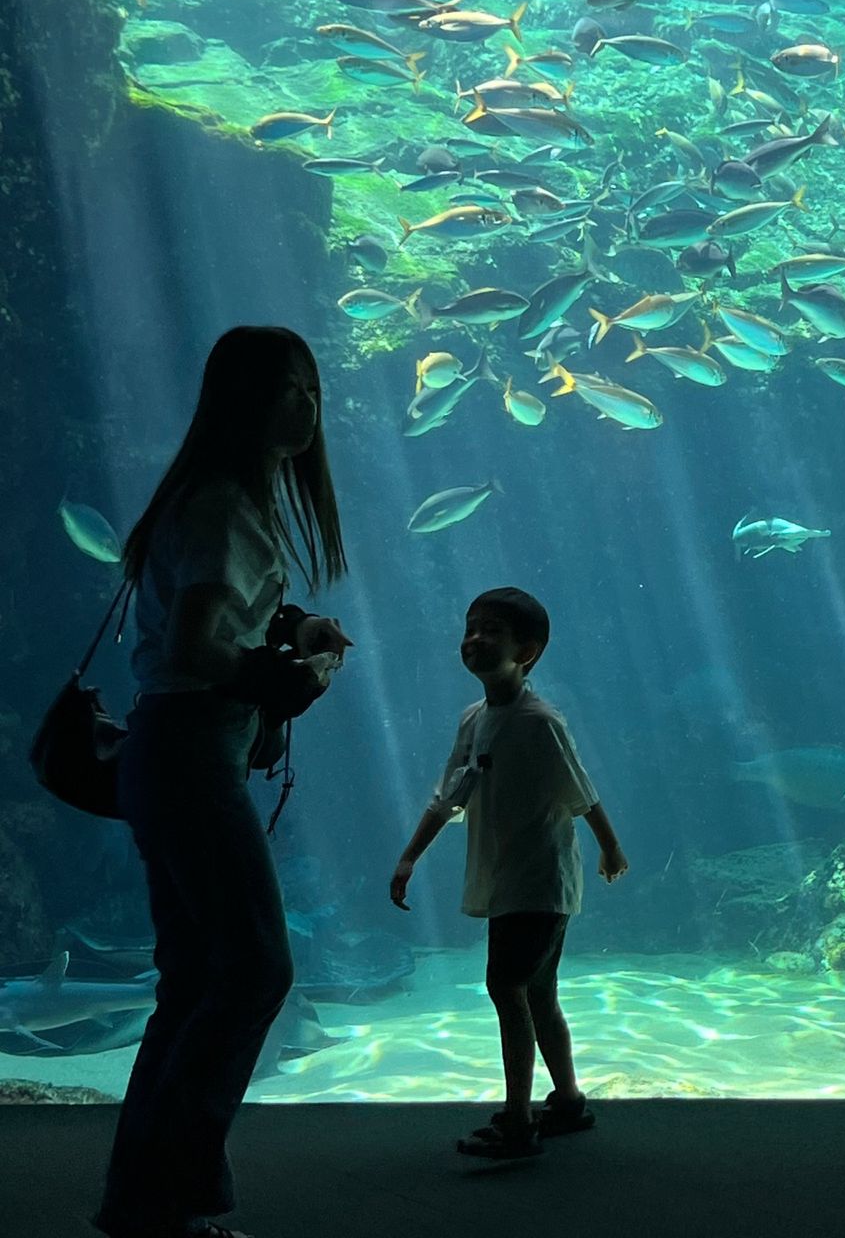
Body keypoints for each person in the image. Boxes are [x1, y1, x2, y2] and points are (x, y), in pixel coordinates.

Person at [93, 326, 352, 1238]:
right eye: (285, 390)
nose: (304, 407)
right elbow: (200, 645)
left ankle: (143, 1204)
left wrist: (288, 623)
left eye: (311, 391)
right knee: (254, 969)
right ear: (239, 398)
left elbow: (209, 613)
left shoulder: (215, 499)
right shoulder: (223, 506)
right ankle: (176, 1201)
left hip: (170, 753)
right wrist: (283, 679)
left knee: (193, 979)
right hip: (193, 753)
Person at [390, 586, 628, 1159]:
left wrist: (610, 849)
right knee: (539, 995)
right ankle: (567, 1102)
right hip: (508, 880)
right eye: (470, 628)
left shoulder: (539, 721)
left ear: (529, 651)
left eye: (491, 630)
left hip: (540, 880)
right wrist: (409, 856)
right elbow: (449, 796)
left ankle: (519, 1121)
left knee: (507, 986)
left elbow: (583, 793)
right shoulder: (474, 719)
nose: (474, 639)